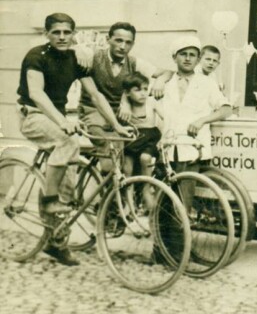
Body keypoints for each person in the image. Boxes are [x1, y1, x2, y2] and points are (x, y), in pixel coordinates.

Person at [17, 13, 130, 266]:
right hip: (33, 115)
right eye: (56, 32)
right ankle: (48, 201)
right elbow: (36, 94)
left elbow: (96, 95)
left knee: (71, 171)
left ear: (73, 34)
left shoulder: (75, 58)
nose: (62, 37)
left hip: (56, 117)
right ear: (47, 34)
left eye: (67, 32)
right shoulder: (36, 56)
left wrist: (115, 126)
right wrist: (62, 122)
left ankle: (56, 242)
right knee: (68, 144)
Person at [78, 22, 172, 171]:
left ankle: (132, 187)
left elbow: (166, 72)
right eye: (118, 40)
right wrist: (78, 51)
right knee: (111, 154)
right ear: (108, 39)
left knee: (136, 150)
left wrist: (160, 81)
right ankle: (110, 190)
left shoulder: (134, 63)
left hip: (121, 115)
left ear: (132, 44)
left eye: (128, 42)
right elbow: (71, 49)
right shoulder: (94, 56)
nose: (123, 46)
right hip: (93, 112)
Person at [162, 36, 232, 203]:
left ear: (198, 59)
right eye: (183, 54)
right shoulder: (166, 82)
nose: (187, 58)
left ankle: (183, 228)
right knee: (165, 198)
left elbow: (226, 109)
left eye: (192, 55)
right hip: (167, 147)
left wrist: (202, 120)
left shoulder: (207, 83)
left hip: (192, 147)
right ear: (174, 57)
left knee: (184, 198)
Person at [121, 71, 163, 210]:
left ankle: (147, 187)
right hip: (133, 137)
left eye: (145, 89)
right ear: (127, 93)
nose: (143, 93)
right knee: (127, 168)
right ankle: (129, 203)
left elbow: (166, 117)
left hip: (150, 137)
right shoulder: (125, 107)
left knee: (145, 158)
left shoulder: (151, 103)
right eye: (137, 90)